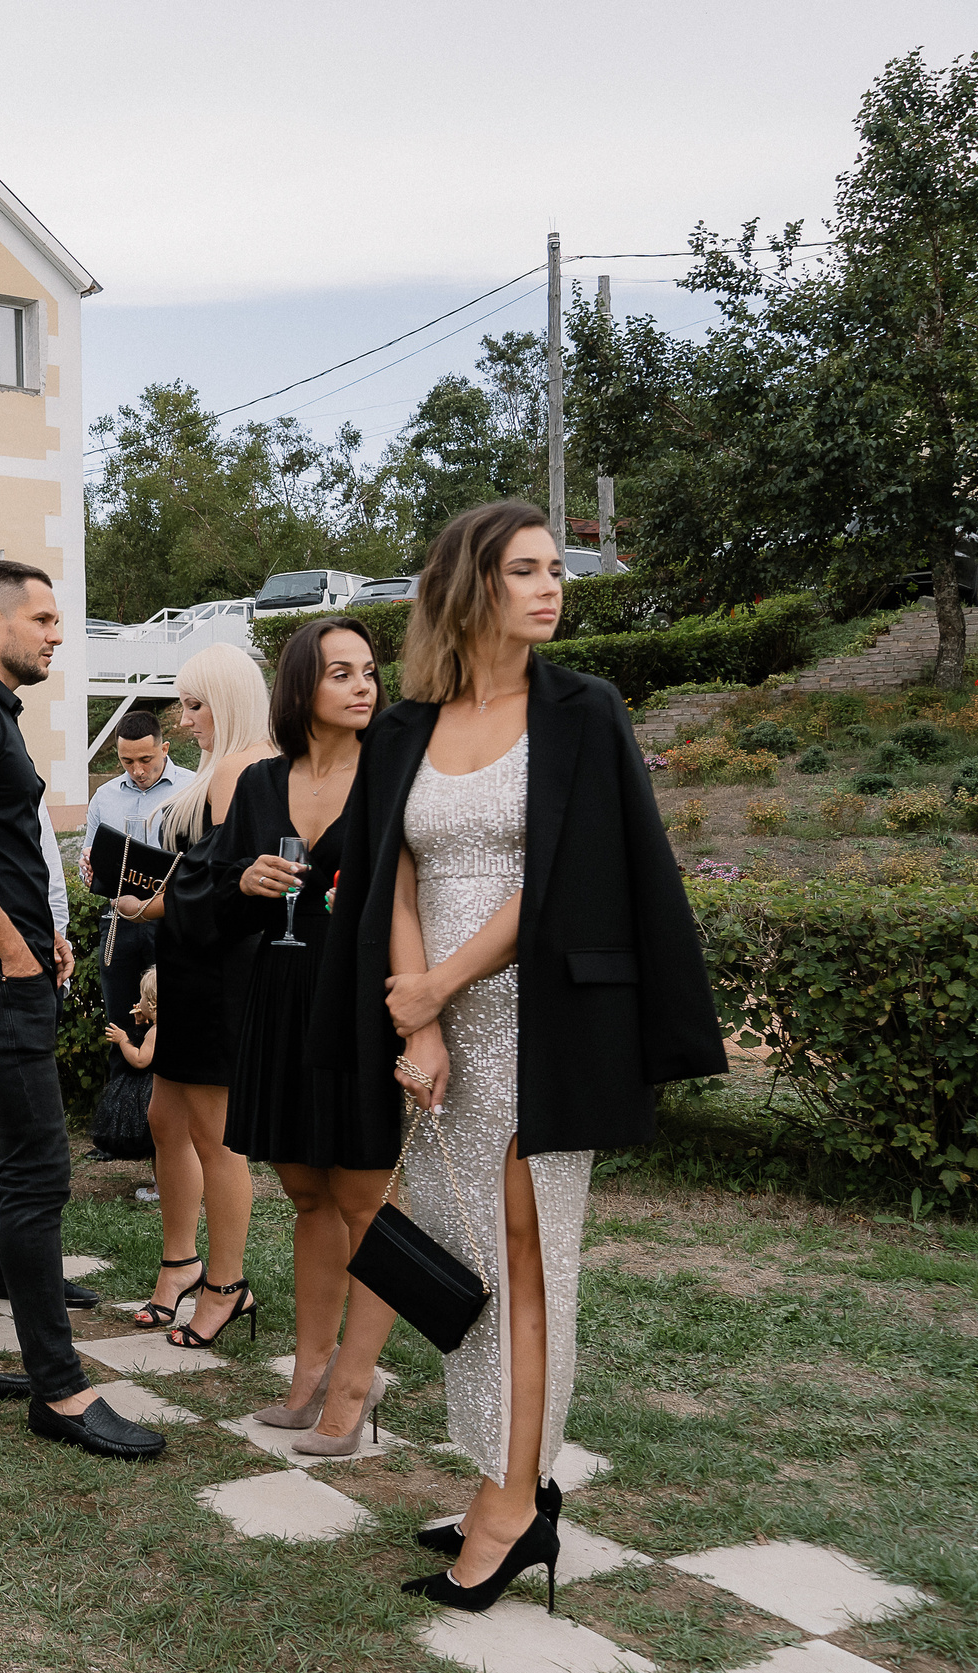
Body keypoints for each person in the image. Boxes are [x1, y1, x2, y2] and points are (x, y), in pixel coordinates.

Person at [316, 500, 724, 1611]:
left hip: (540, 1029)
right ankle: (506, 1472)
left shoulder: (583, 713)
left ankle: (512, 1510)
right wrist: (418, 1017)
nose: (552, 589)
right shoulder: (404, 725)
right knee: (473, 1270)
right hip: (437, 1027)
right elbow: (390, 869)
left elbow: (559, 877)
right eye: (526, 570)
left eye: (557, 570)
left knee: (526, 1269)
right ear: (469, 586)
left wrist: (441, 988)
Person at [0, 561, 162, 1459]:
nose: (57, 634)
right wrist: (12, 946)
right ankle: (60, 1389)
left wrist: (30, 932)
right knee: (37, 1174)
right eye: (43, 619)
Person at [215, 619, 394, 1455]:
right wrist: (244, 881)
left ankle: (356, 1391)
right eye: (340, 673)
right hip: (282, 1000)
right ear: (301, 688)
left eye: (368, 671)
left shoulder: (394, 775)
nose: (362, 685)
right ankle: (311, 1371)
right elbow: (214, 898)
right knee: (308, 1196)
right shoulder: (258, 785)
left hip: (364, 1006)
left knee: (364, 1204)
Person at [112, 644, 276, 1344]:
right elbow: (207, 873)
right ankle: (181, 1260)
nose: (184, 719)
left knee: (216, 1135)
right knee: (164, 1117)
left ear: (231, 699)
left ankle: (226, 1284)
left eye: (196, 703)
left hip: (219, 974)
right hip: (190, 966)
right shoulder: (227, 766)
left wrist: (152, 906)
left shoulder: (249, 768)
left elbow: (237, 885)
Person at [77, 710, 192, 1163]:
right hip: (119, 925)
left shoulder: (192, 787)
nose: (137, 770)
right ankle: (120, 1132)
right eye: (127, 761)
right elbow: (90, 865)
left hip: (171, 923)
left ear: (165, 749)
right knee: (121, 1022)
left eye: (145, 759)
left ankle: (173, 1133)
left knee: (176, 1025)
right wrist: (89, 872)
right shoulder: (104, 796)